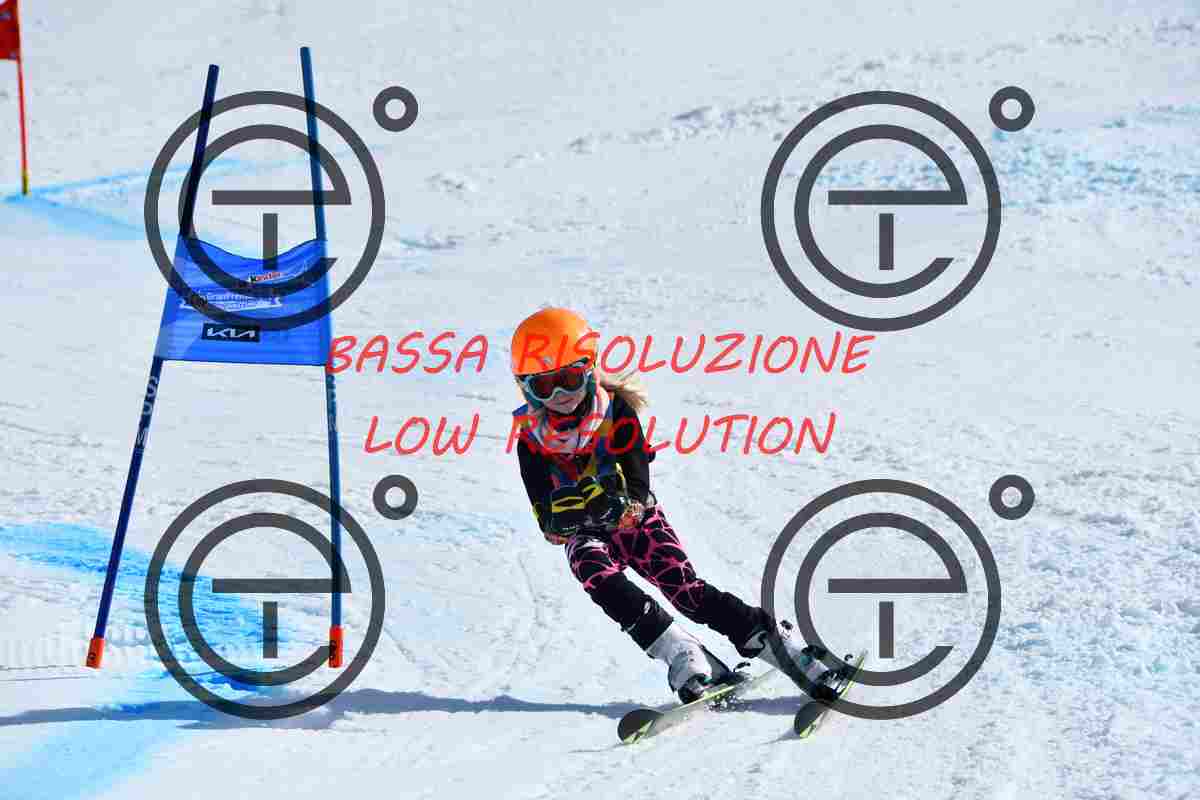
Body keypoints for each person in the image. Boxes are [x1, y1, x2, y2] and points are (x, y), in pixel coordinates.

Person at [509, 307, 842, 703]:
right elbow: (544, 514)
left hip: (637, 524)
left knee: (687, 593)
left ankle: (782, 647)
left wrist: (626, 507)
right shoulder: (531, 440)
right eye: (544, 386)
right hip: (587, 531)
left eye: (568, 379)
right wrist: (559, 523)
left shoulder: (615, 411)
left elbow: (637, 480)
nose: (559, 395)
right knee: (591, 568)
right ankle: (682, 653)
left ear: (590, 369)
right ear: (526, 389)